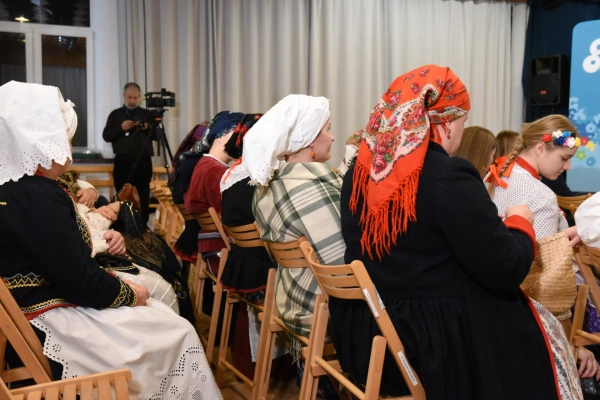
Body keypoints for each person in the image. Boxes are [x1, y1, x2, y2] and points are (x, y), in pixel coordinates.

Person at [330, 65, 580, 399]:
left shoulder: (360, 174)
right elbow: (506, 268)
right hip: (426, 344)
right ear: (447, 124)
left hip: (365, 334)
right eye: (463, 121)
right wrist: (520, 222)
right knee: (538, 335)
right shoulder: (447, 175)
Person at [0, 81, 222, 400]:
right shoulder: (39, 195)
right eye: (65, 138)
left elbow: (63, 263)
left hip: (31, 307)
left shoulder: (14, 188)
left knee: (159, 309)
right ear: (43, 141)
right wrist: (130, 294)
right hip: (47, 317)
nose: (68, 148)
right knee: (177, 329)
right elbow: (79, 281)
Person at [488, 114, 600, 394]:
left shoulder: (496, 176)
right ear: (540, 148)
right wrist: (571, 343)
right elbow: (544, 276)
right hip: (536, 319)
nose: (568, 166)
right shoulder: (539, 195)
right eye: (564, 158)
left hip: (496, 309)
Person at [244, 94, 344, 399]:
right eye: (327, 129)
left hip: (289, 297)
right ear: (309, 140)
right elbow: (342, 267)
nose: (332, 136)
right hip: (319, 309)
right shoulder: (312, 188)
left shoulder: (268, 186)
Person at [102, 82, 155, 224]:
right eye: (129, 97)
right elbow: (106, 136)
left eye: (135, 98)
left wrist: (146, 126)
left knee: (143, 194)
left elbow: (158, 135)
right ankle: (122, 225)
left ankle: (143, 225)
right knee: (122, 193)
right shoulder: (115, 114)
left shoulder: (146, 114)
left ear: (139, 97)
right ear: (124, 96)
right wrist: (121, 128)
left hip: (143, 162)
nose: (132, 101)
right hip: (123, 161)